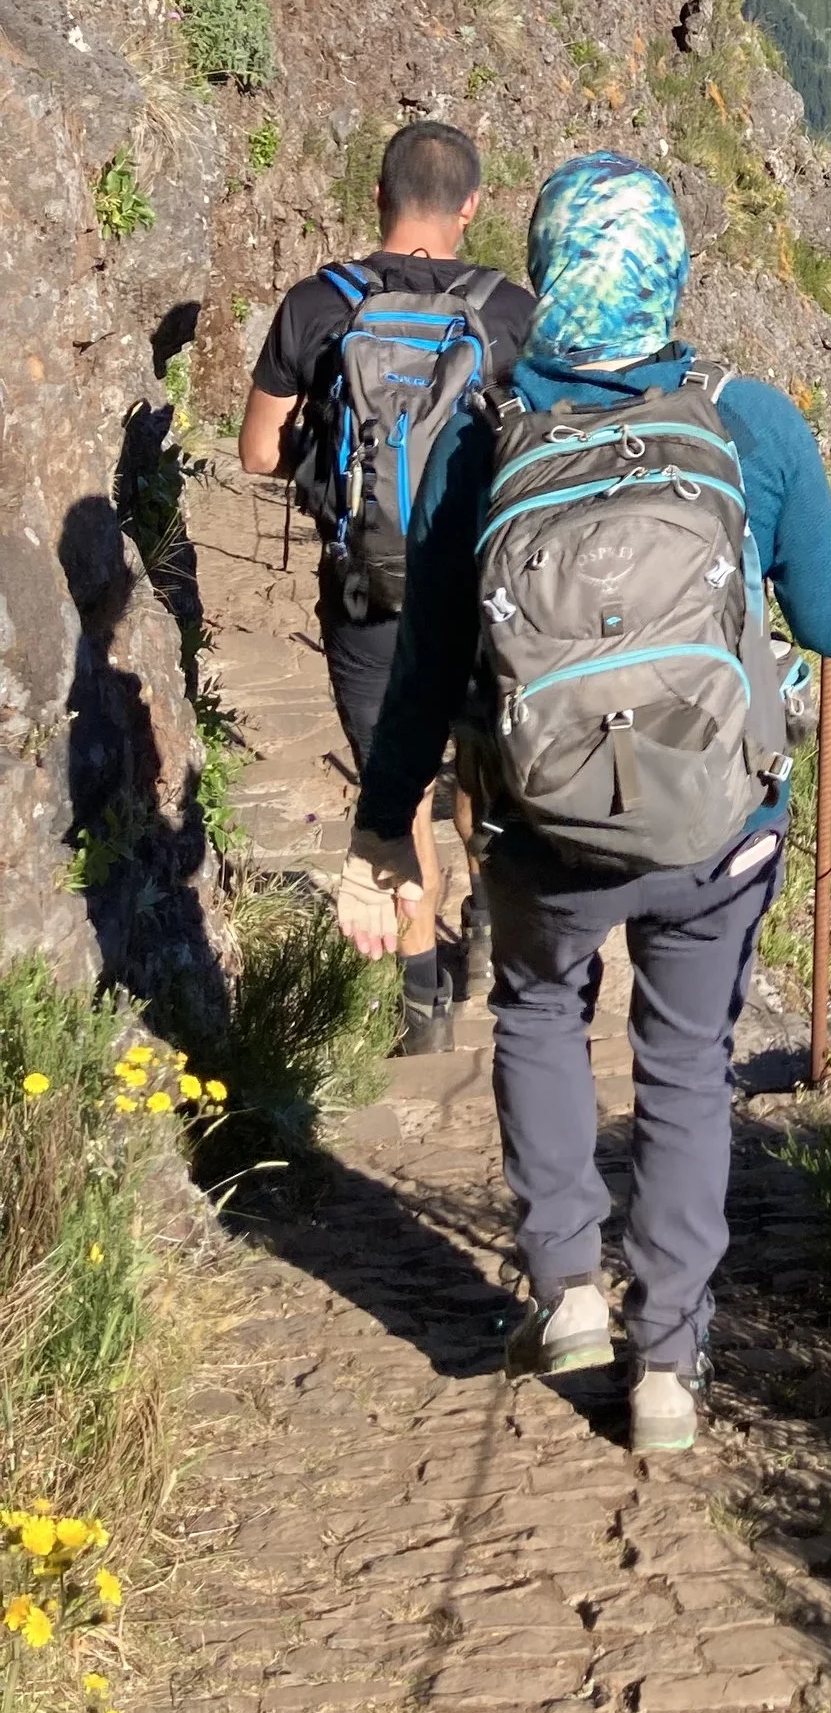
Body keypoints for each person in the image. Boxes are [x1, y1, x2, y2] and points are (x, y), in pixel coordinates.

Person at [338, 155, 831, 1455]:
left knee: (534, 1009)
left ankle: (568, 1287)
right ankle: (671, 1364)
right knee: (689, 1062)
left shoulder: (487, 438)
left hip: (538, 817)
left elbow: (426, 655)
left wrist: (383, 816)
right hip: (716, 823)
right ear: (672, 277)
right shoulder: (751, 421)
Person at [239, 118, 534, 1051]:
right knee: (480, 763)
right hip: (484, 592)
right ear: (471, 208)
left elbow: (256, 451)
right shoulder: (512, 315)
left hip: (366, 595)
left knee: (395, 791)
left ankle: (422, 1016)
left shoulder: (317, 304)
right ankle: (483, 924)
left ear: (379, 196)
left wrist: (347, 468)